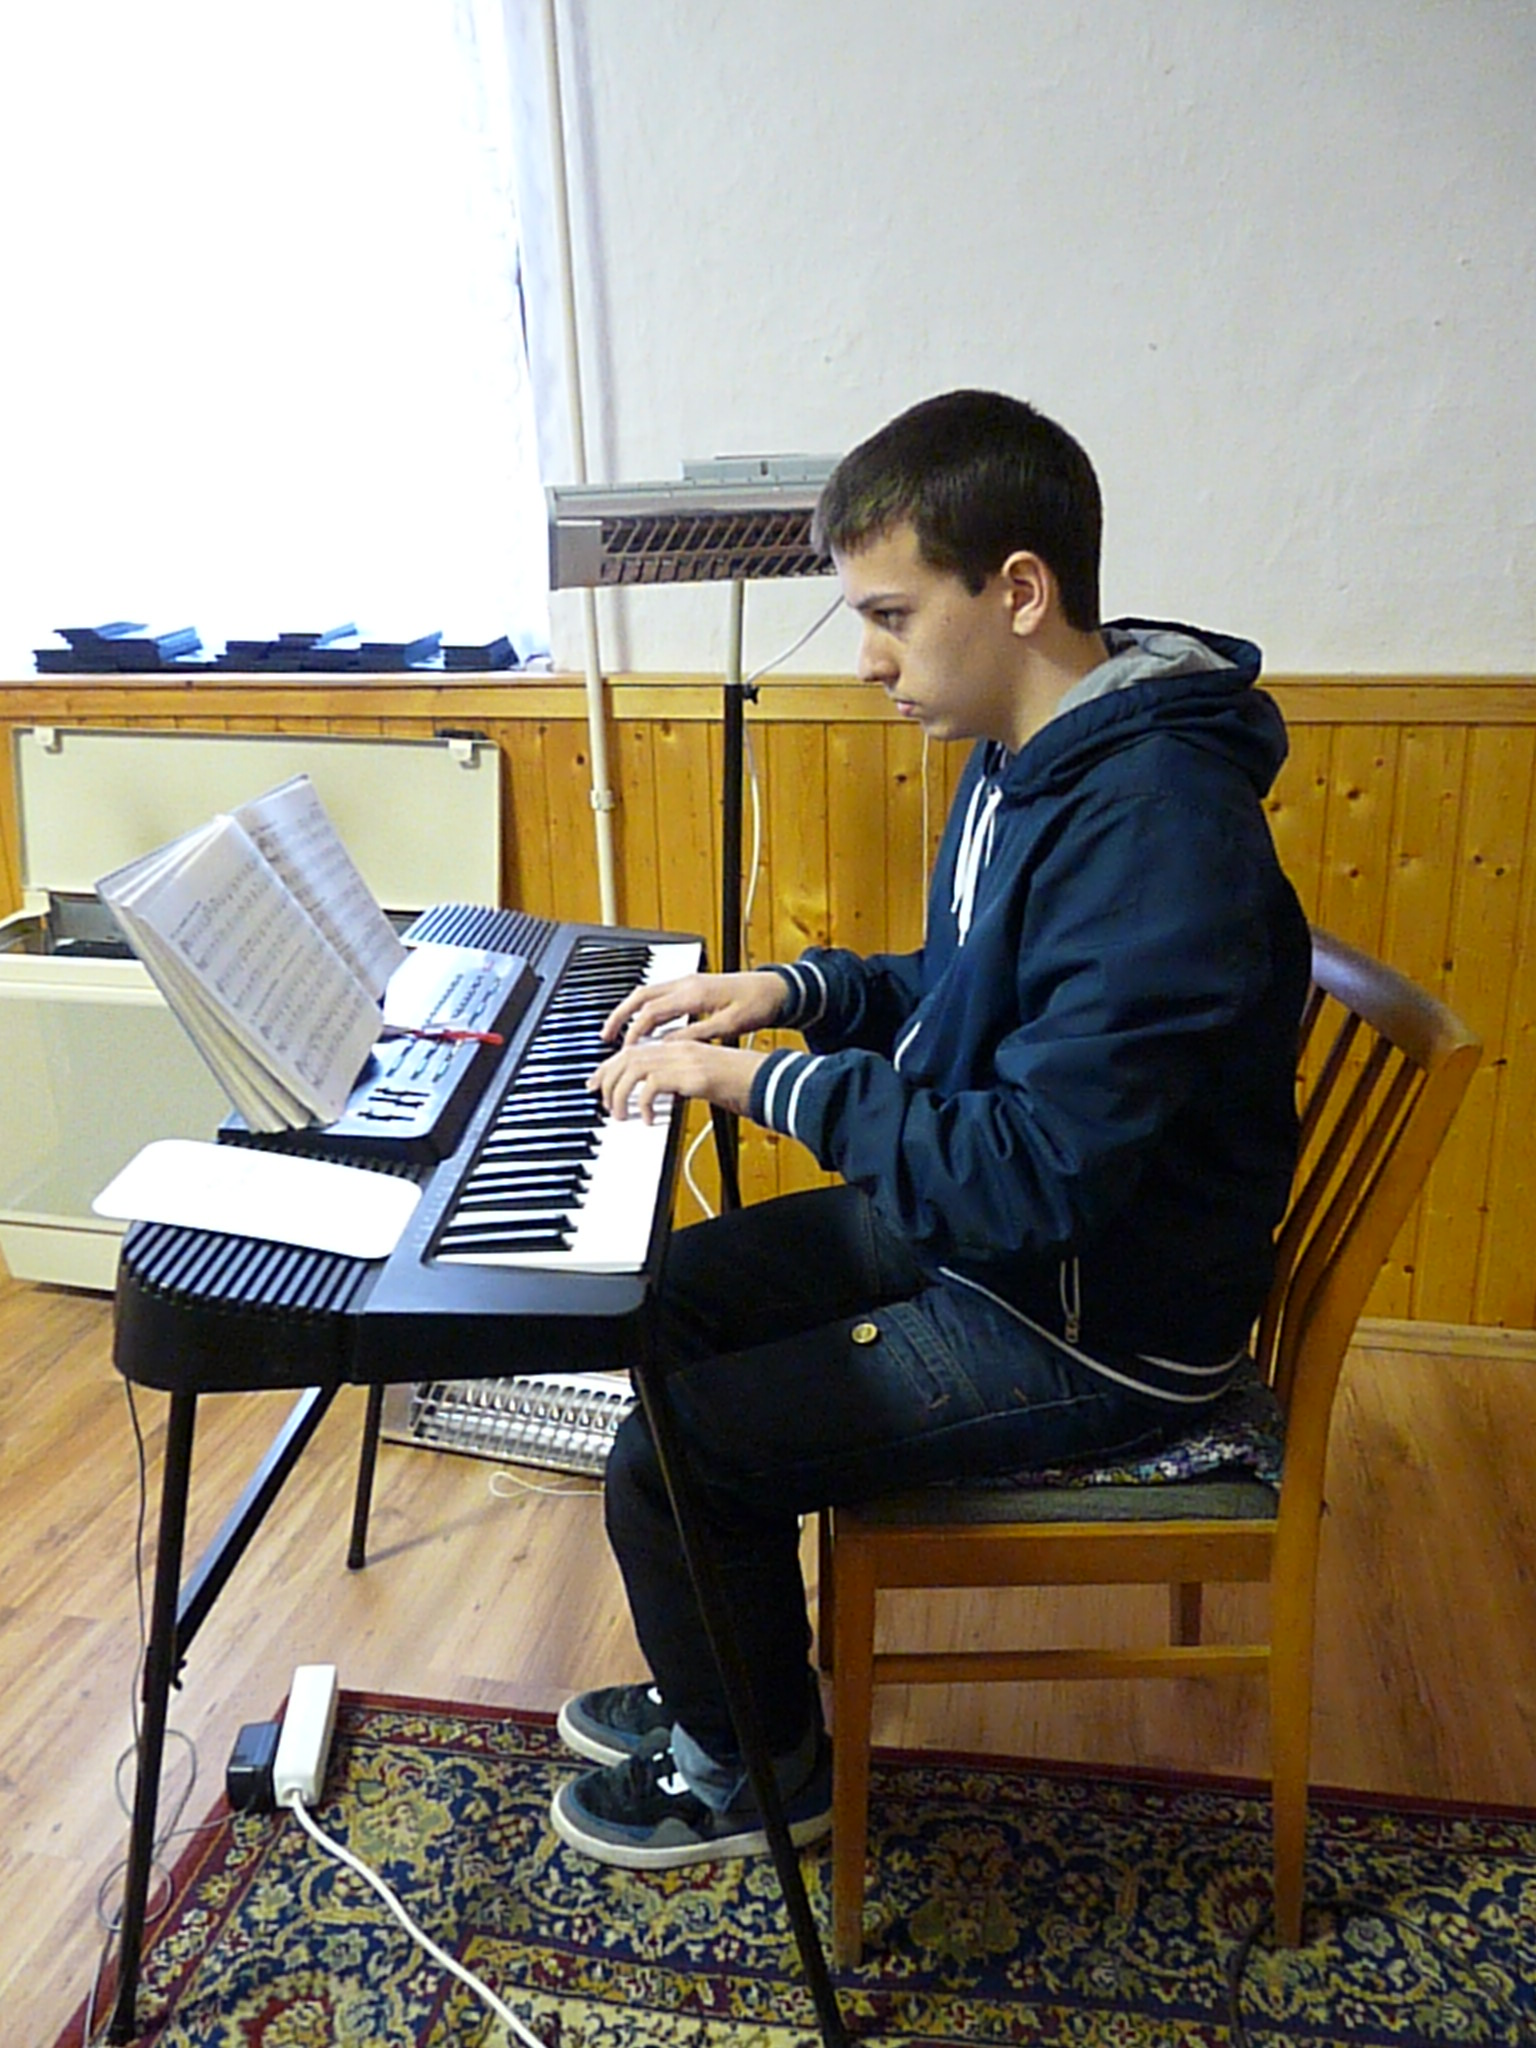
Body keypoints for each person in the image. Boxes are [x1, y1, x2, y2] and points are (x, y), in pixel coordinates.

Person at [547, 388, 1312, 1870]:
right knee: (663, 1298)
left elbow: (1034, 1174)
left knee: (671, 1456)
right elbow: (967, 997)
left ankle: (755, 1767)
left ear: (1018, 591)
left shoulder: (1156, 824)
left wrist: (762, 1088)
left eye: (892, 615)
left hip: (1092, 1322)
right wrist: (790, 992)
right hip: (1007, 1248)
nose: (869, 660)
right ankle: (732, 1684)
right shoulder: (1037, 753)